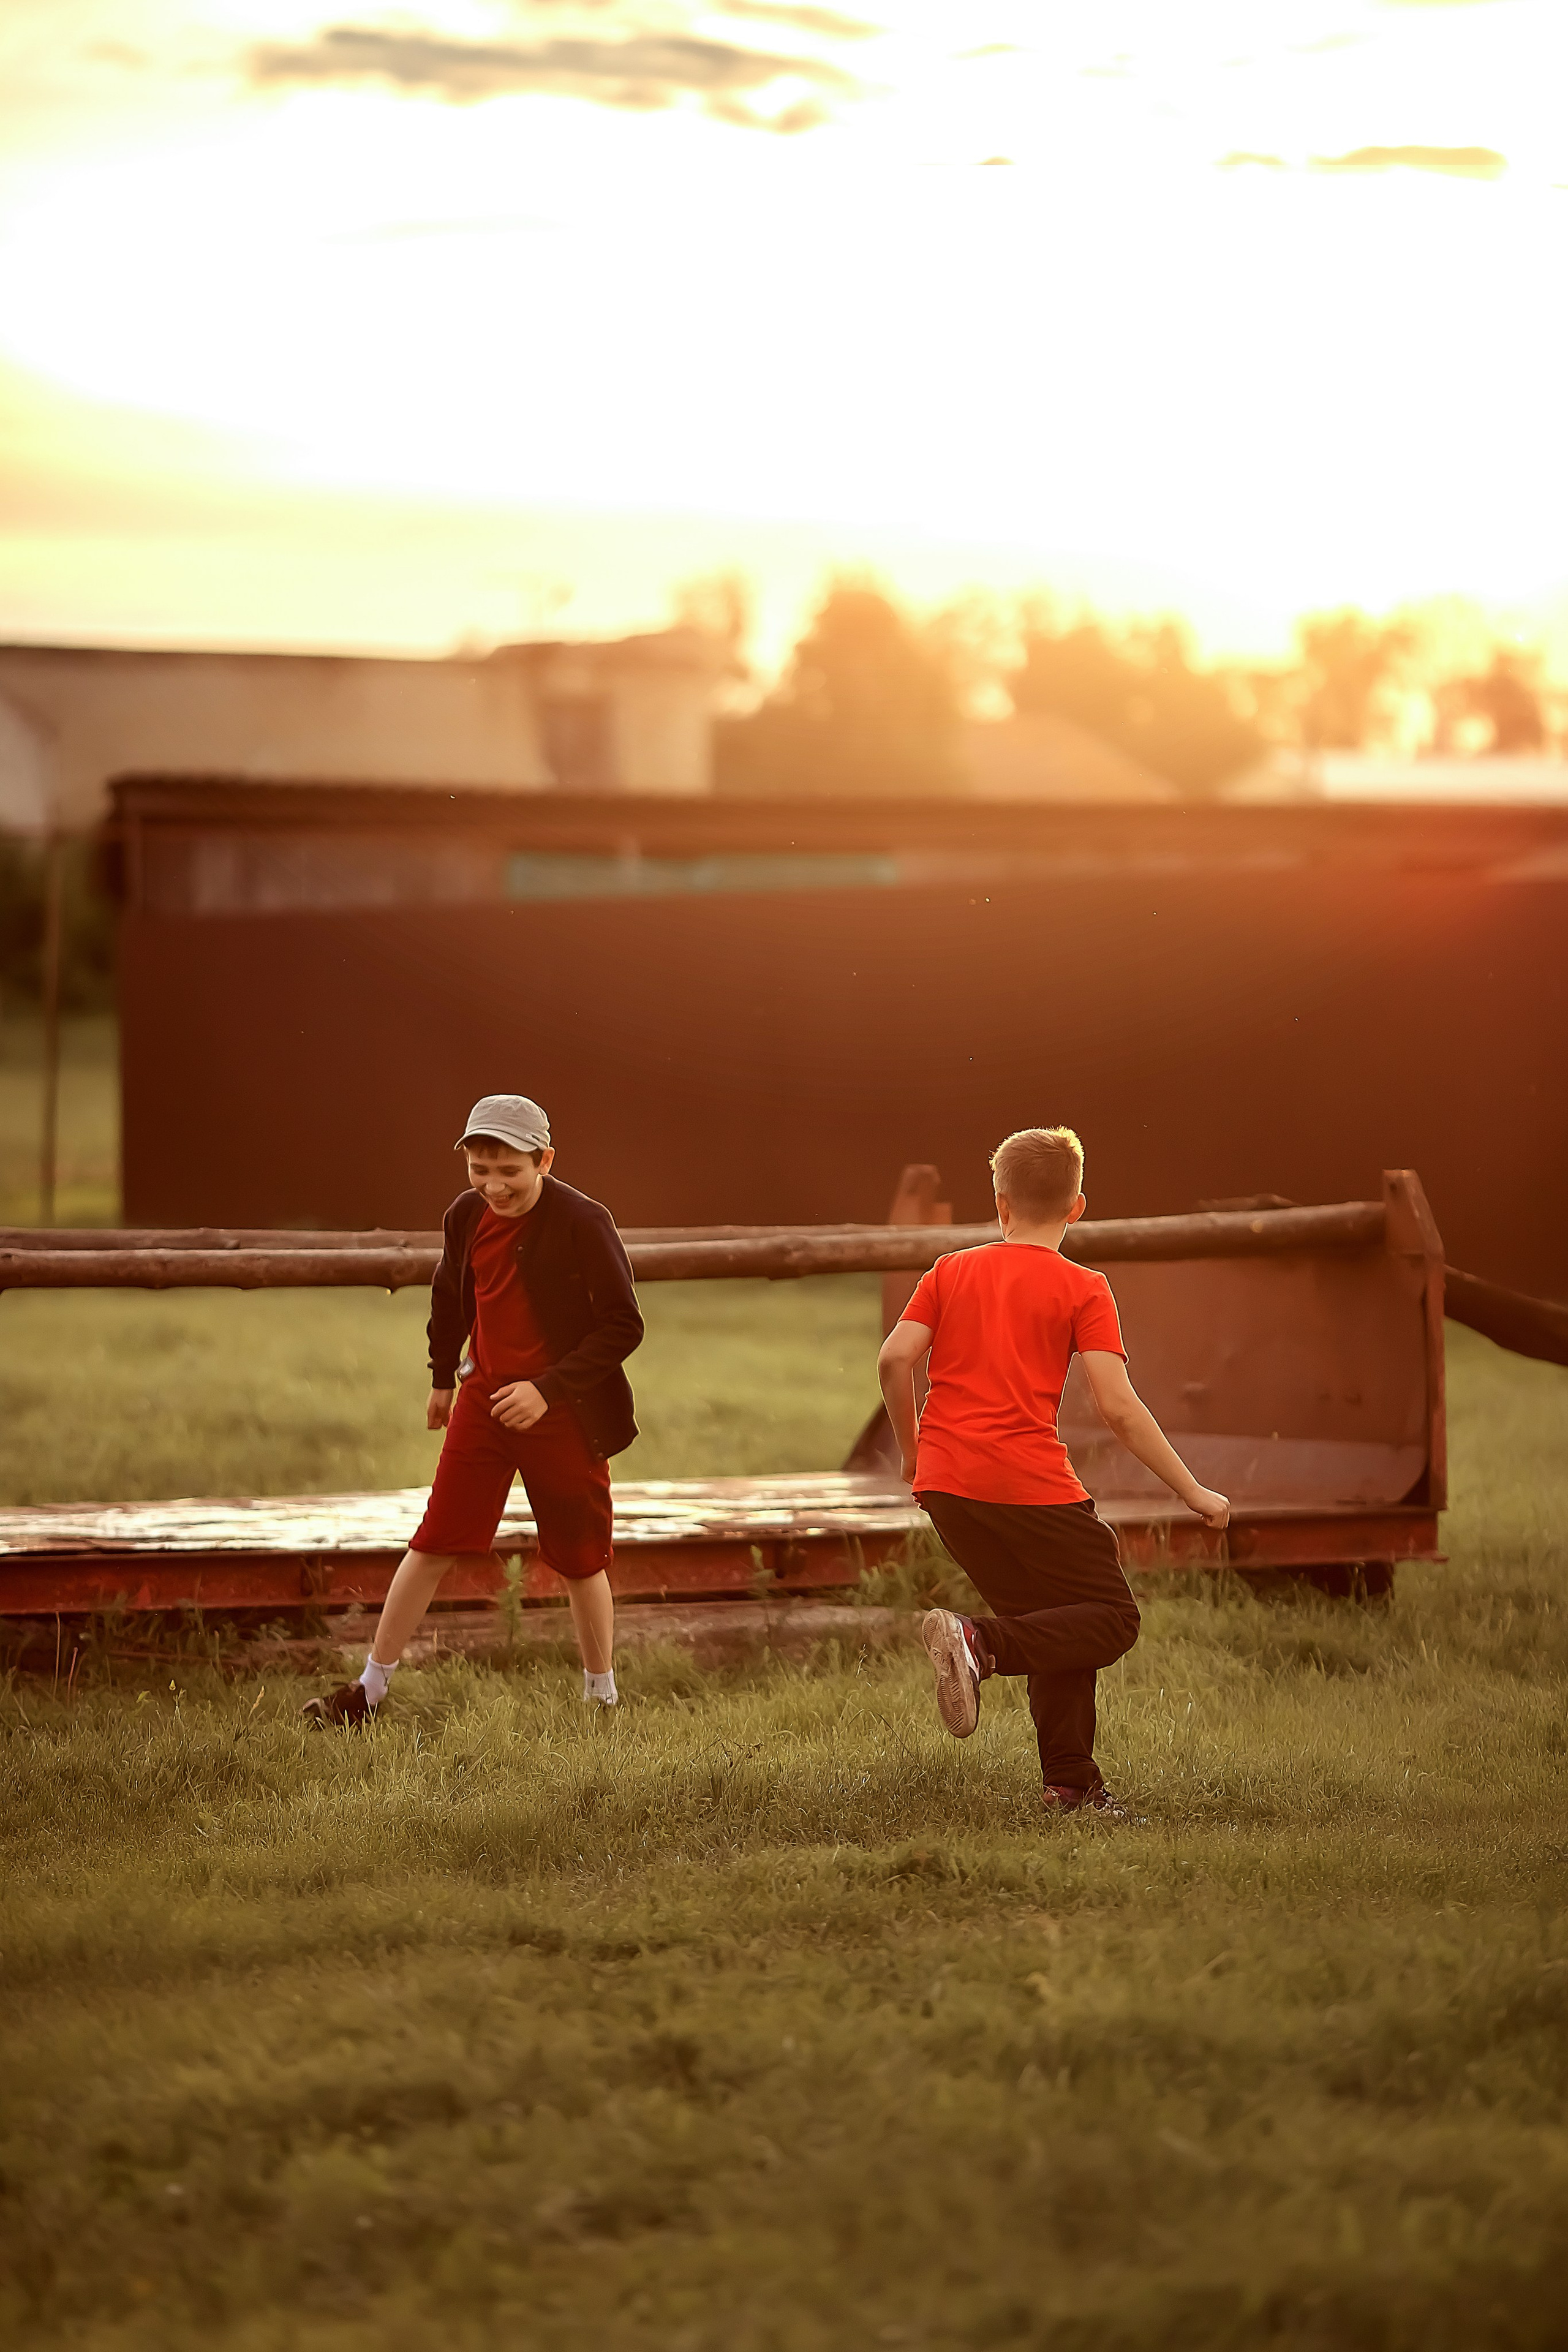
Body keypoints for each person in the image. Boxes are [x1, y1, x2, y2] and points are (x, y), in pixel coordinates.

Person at [876, 1125, 1229, 1815]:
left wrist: (913, 1453)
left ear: (1000, 1204)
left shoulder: (949, 1270)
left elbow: (894, 1361)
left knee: (1057, 1625)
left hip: (947, 1486)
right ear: (1077, 1208)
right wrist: (1191, 1490)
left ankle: (1070, 1788)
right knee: (1110, 1619)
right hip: (1028, 1486)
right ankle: (981, 1643)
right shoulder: (1083, 1288)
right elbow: (1119, 1409)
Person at [304, 1093, 644, 1726]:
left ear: (543, 1160)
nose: (493, 1186)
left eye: (509, 1171)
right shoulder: (466, 1216)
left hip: (561, 1412)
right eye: (479, 1170)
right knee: (433, 1541)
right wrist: (442, 1376)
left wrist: (548, 1388)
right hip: (483, 1402)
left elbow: (623, 1325)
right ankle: (368, 1692)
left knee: (580, 1558)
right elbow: (451, 1294)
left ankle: (602, 1699)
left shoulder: (583, 1221)